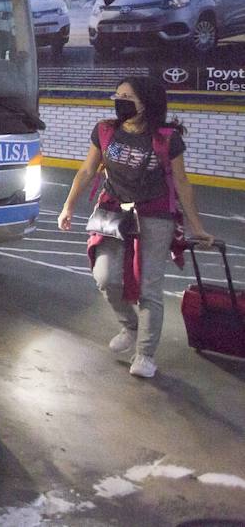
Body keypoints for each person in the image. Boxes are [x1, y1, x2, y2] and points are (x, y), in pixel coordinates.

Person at [58, 76, 215, 379]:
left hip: (154, 216)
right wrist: (68, 206)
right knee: (105, 276)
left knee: (148, 288)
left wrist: (197, 227)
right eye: (117, 94)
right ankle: (130, 326)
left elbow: (182, 183)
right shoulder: (105, 131)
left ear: (145, 103)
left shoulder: (167, 138)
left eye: (127, 96)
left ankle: (145, 355)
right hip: (113, 212)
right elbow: (87, 169)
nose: (119, 101)